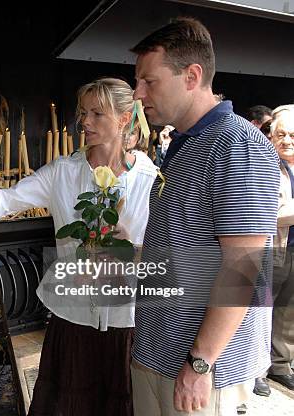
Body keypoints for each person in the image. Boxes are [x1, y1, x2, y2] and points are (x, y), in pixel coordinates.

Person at [0, 78, 157, 415]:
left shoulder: (150, 180)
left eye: (96, 114)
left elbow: (160, 252)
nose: (85, 122)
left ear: (123, 119)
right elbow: (8, 199)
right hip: (71, 316)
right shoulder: (63, 172)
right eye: (83, 113)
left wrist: (129, 248)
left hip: (125, 320)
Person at [130, 17, 280, 415]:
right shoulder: (184, 144)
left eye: (149, 81)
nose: (137, 93)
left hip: (199, 373)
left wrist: (200, 362)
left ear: (192, 75)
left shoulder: (237, 146)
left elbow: (243, 266)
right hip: (158, 351)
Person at [267, 104, 294, 391]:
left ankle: (280, 365)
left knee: (289, 311)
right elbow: (267, 213)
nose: (287, 140)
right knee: (262, 309)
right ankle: (257, 369)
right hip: (274, 248)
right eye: (282, 134)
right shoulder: (266, 166)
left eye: (293, 135)